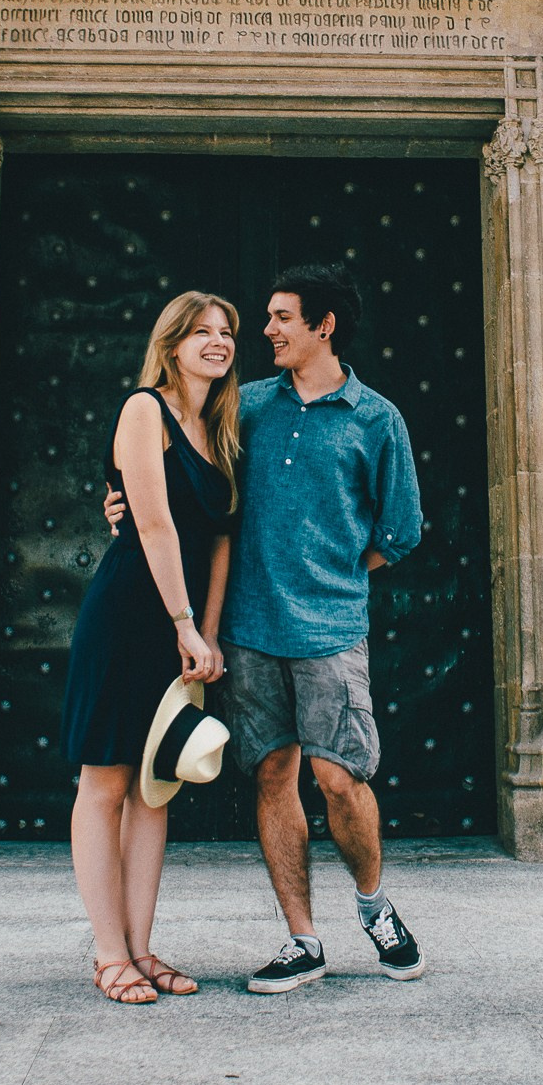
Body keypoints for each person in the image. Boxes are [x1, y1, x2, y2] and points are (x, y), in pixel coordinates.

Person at [108, 262, 426, 993]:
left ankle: (375, 907)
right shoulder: (243, 406)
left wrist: (336, 573)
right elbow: (181, 476)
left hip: (331, 628)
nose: (267, 329)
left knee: (339, 778)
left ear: (324, 325)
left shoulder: (377, 418)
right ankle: (302, 938)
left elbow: (401, 531)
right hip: (247, 631)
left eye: (282, 317)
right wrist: (121, 503)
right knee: (275, 775)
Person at [62, 291, 241, 1005]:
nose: (217, 341)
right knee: (104, 782)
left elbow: (222, 540)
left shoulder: (220, 430)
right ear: (171, 344)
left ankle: (142, 946)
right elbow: (155, 525)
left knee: (154, 787)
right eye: (201, 331)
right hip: (133, 616)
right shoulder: (146, 409)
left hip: (185, 626)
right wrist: (182, 622)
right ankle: (109, 954)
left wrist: (211, 632)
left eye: (226, 331)